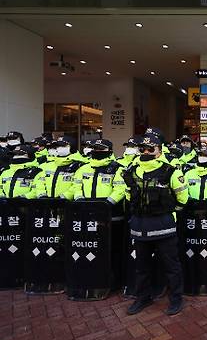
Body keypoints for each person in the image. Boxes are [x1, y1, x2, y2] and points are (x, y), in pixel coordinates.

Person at [123, 129, 188, 316]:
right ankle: (143, 297)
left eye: (150, 149)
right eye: (142, 148)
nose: (145, 152)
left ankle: (176, 299)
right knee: (141, 267)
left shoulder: (171, 172)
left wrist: (167, 214)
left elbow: (183, 198)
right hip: (140, 227)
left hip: (163, 227)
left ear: (160, 150)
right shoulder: (131, 172)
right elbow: (129, 196)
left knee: (171, 266)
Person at [67, 139, 126, 212]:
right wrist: (79, 199)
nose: (97, 150)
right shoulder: (83, 168)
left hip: (110, 211)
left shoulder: (117, 168)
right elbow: (76, 186)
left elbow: (121, 189)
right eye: (95, 148)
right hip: (86, 209)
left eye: (101, 149)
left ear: (110, 151)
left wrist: (107, 203)